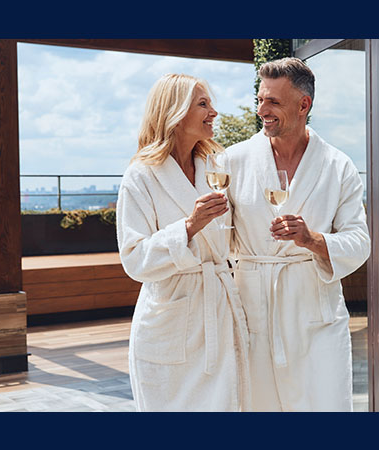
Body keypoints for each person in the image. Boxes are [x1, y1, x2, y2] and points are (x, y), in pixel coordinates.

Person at [226, 57, 371, 411]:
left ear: (303, 104)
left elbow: (359, 242)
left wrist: (311, 240)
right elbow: (216, 236)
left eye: (273, 101)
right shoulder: (234, 160)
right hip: (254, 309)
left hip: (314, 315)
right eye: (260, 100)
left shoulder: (338, 166)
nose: (263, 110)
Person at [116, 73, 250, 411]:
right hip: (170, 316)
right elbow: (135, 260)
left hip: (218, 309)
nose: (214, 112)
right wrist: (189, 227)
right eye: (203, 104)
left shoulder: (215, 167)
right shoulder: (141, 175)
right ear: (175, 112)